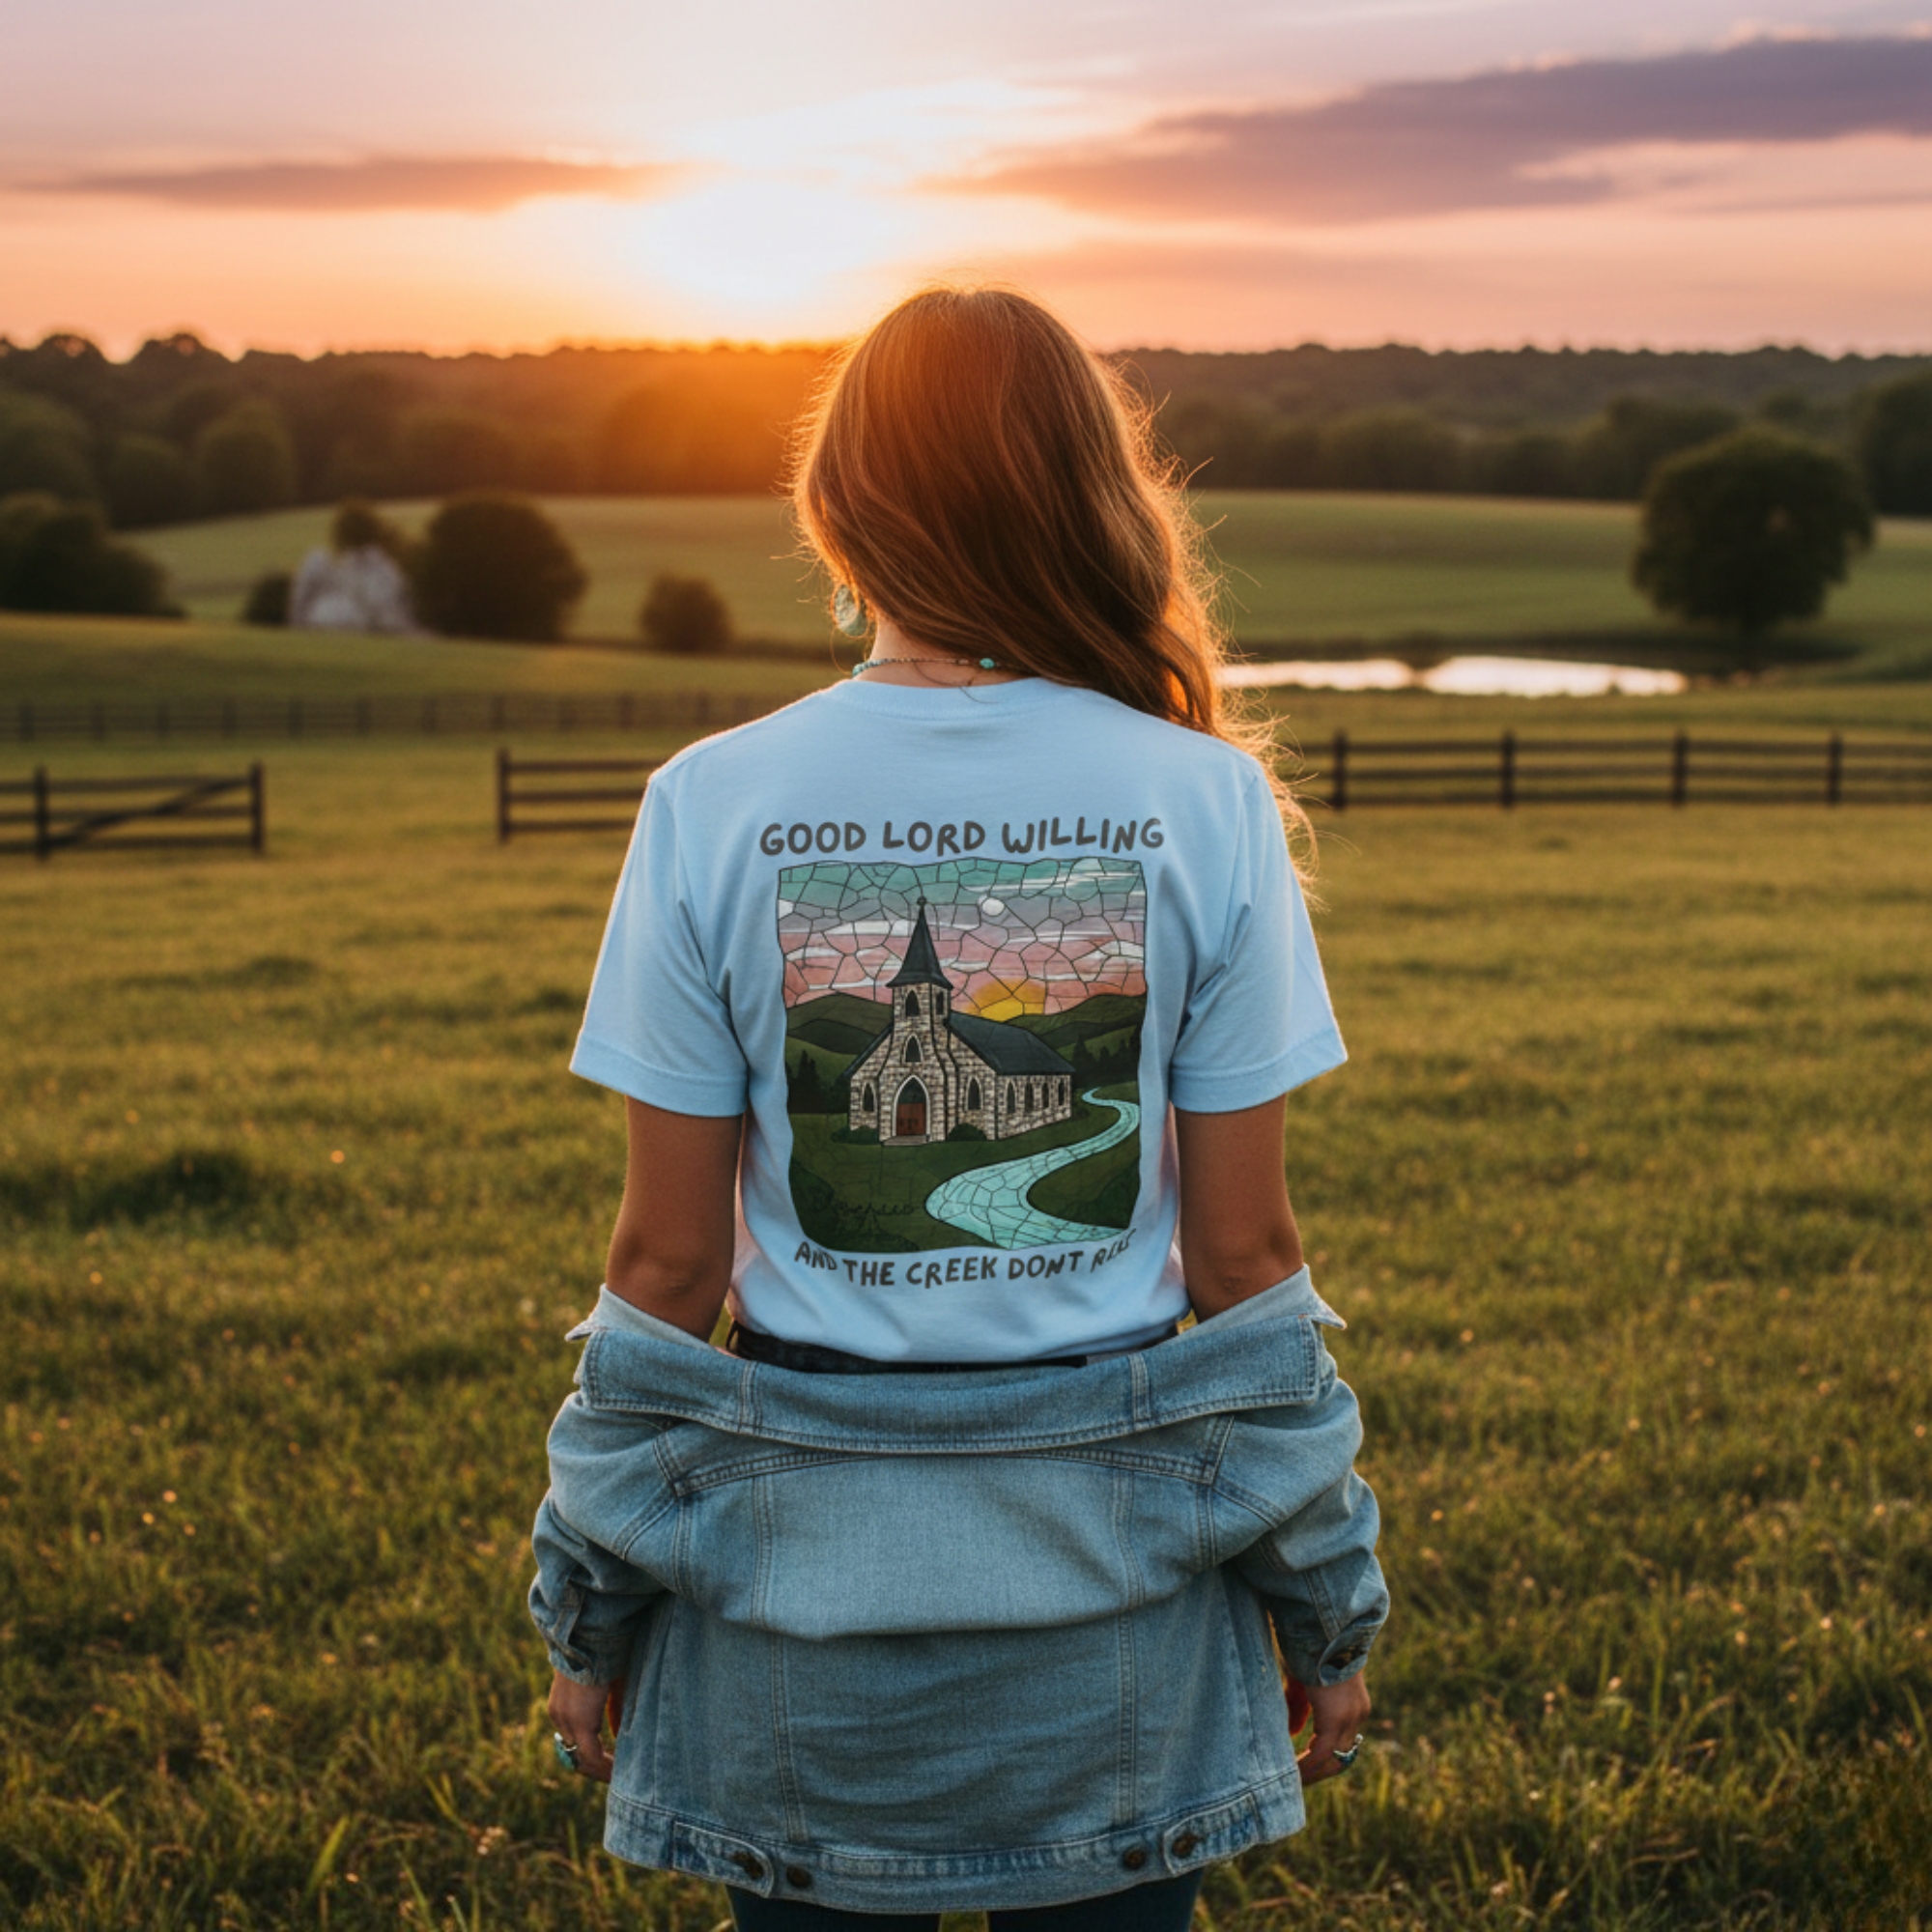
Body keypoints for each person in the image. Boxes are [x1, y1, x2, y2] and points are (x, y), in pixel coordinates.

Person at [528, 285, 1389, 1930]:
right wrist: (1322, 1593)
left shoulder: (713, 800)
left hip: (797, 1600)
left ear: (839, 506)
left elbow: (662, 1272)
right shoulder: (1200, 799)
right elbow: (1243, 1258)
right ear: (1087, 495)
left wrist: (596, 1601)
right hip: (1117, 1593)